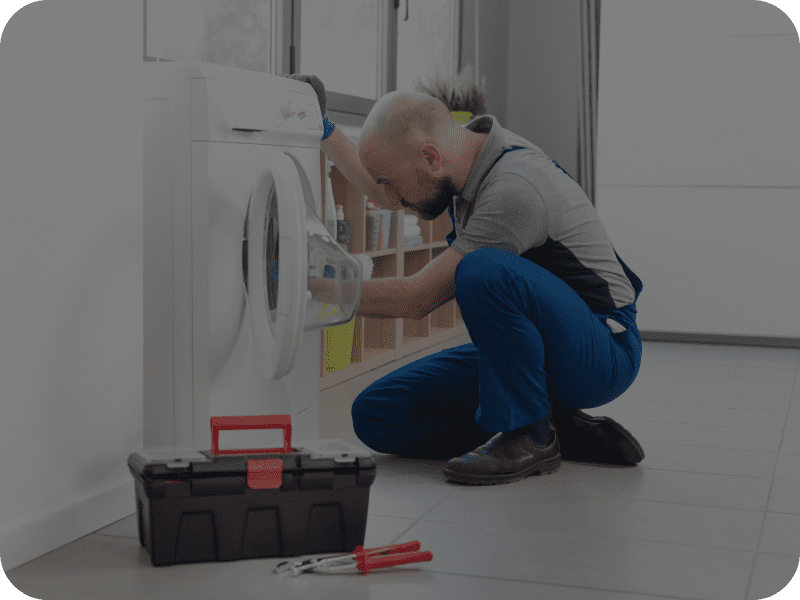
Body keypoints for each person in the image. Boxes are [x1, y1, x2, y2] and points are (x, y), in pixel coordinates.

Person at [286, 73, 645, 487]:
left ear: (430, 158)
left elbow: (415, 299)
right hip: (544, 351)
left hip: (602, 350)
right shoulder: (463, 160)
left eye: (391, 180)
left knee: (481, 271)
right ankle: (555, 428)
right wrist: (324, 127)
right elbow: (389, 195)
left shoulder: (513, 189)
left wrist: (310, 288)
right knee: (378, 413)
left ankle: (528, 434)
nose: (390, 198)